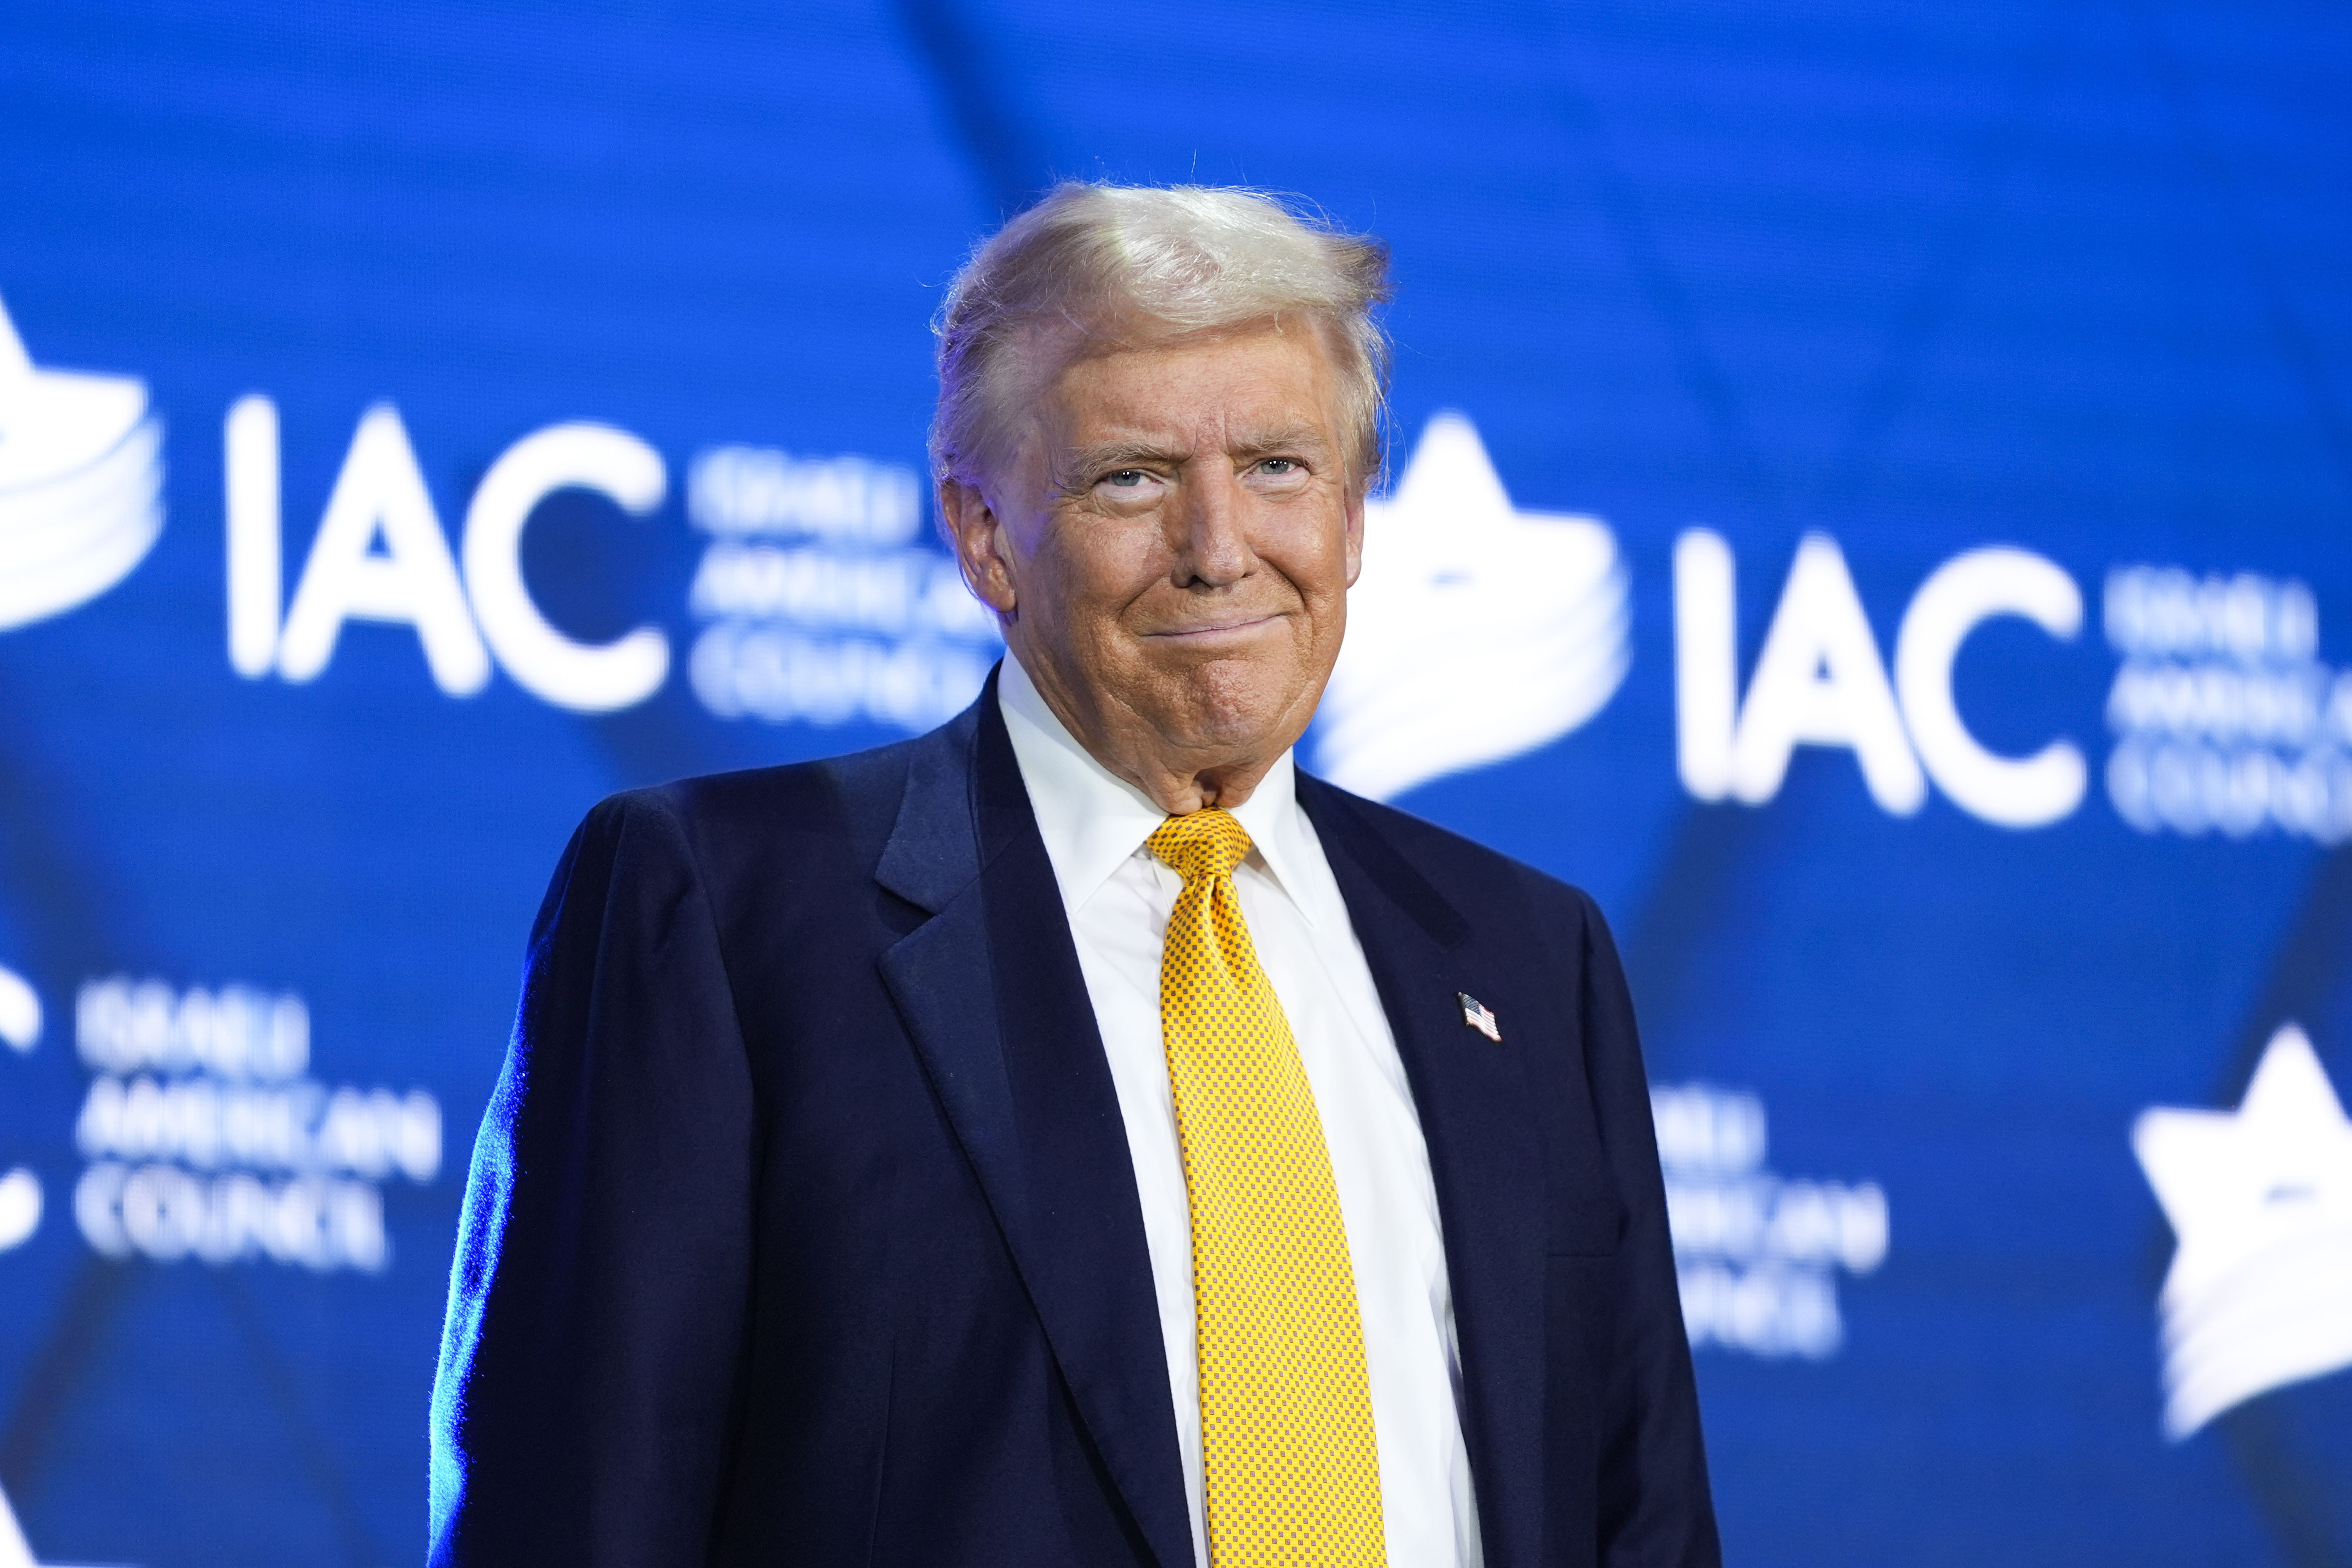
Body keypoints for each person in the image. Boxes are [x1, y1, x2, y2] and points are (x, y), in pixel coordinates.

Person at [428, 182, 1717, 1568]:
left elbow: (1635, 1518)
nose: (1220, 550)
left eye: (1280, 468)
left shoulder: (1526, 957)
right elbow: (572, 1514)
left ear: (1351, 520)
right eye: (1133, 478)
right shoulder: (721, 912)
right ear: (984, 535)